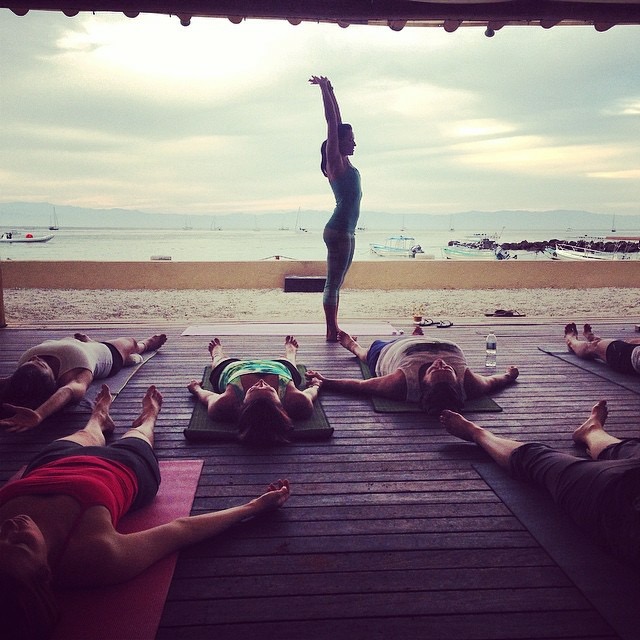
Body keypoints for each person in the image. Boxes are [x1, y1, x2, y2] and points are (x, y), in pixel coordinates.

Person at [0, 384, 290, 640]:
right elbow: (180, 530)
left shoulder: (14, 547)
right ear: (46, 572)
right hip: (121, 468)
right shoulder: (97, 557)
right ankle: (149, 416)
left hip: (48, 465)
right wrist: (254, 506)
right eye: (22, 542)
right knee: (139, 433)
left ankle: (98, 419)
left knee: (85, 432)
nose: (12, 527)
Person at [440, 400, 640, 566]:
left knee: (535, 458)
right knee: (628, 450)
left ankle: (478, 434)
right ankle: (592, 431)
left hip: (621, 499)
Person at [305, 332, 519, 414]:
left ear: (424, 381)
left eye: (436, 369)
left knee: (368, 352)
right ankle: (416, 334)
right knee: (415, 336)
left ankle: (354, 347)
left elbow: (360, 387)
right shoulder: (469, 383)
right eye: (447, 369)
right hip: (423, 341)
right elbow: (492, 381)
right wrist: (509, 376)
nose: (440, 362)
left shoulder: (402, 383)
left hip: (386, 350)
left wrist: (325, 381)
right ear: (457, 381)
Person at [0, 332, 167, 433]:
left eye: (34, 360)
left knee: (107, 348)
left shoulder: (24, 367)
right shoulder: (76, 373)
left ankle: (90, 342)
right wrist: (39, 414)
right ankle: (144, 346)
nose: (37, 357)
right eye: (41, 363)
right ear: (54, 380)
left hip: (78, 344)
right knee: (130, 342)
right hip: (107, 355)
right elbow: (69, 391)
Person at [187, 336, 322, 446]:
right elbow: (310, 394)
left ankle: (216, 353)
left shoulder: (227, 402)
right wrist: (316, 385)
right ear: (281, 404)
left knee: (219, 363)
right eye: (268, 389)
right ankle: (290, 352)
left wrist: (196, 389)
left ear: (242, 403)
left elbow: (208, 397)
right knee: (291, 365)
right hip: (278, 367)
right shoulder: (295, 400)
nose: (262, 382)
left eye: (254, 389)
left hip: (236, 368)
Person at [309, 75, 362, 342]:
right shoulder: (336, 163)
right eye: (350, 139)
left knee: (338, 282)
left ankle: (334, 327)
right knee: (333, 282)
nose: (354, 142)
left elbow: (338, 121)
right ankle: (331, 330)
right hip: (338, 229)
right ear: (338, 144)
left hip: (347, 230)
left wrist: (332, 88)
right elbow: (332, 123)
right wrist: (322, 90)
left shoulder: (346, 161)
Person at [565, 322, 640, 375]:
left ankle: (571, 342)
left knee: (594, 346)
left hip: (629, 358)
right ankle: (594, 338)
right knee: (630, 342)